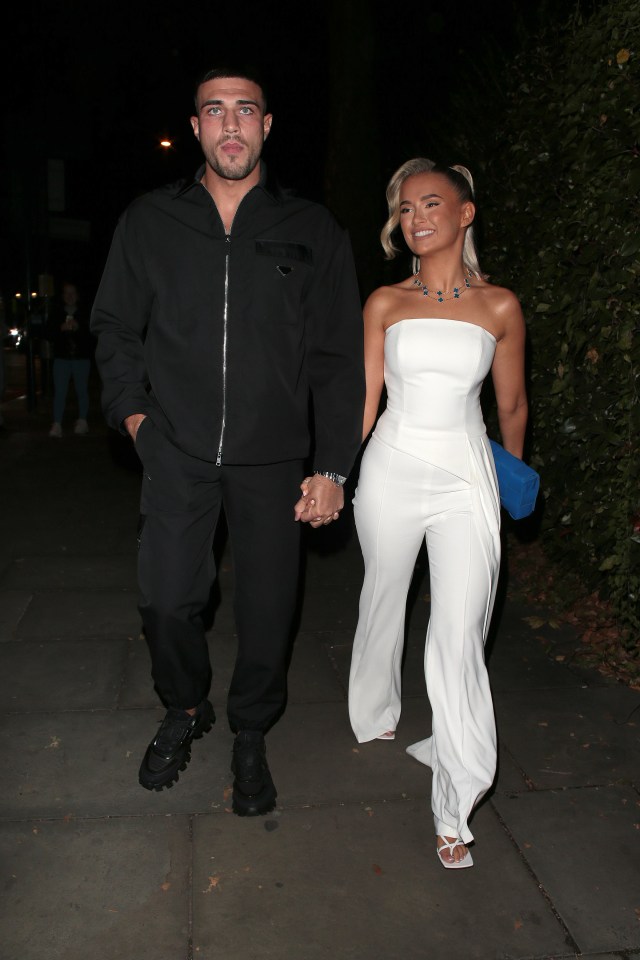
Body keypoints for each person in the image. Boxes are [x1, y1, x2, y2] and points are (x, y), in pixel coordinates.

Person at [90, 67, 364, 816]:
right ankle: (185, 708)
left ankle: (251, 728)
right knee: (166, 602)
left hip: (275, 458)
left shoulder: (312, 229)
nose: (232, 124)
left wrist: (334, 466)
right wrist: (136, 418)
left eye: (246, 110)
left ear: (267, 127)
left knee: (270, 607)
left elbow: (340, 358)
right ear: (198, 126)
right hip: (174, 449)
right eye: (216, 111)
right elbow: (113, 325)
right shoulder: (150, 220)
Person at [347, 158, 527, 868]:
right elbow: (366, 399)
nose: (415, 217)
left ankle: (455, 803)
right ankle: (374, 710)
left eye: (430, 203)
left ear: (465, 213)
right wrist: (334, 472)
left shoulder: (501, 306)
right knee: (384, 594)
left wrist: (512, 481)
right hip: (391, 465)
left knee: (458, 633)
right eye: (404, 208)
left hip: (466, 476)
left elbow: (510, 405)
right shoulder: (385, 302)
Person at [47, 282, 93, 437]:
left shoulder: (85, 312)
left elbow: (93, 335)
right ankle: (57, 424)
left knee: (82, 391)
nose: (70, 296)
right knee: (60, 392)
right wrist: (61, 328)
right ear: (62, 296)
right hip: (62, 358)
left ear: (77, 295)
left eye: (72, 293)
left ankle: (82, 421)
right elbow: (48, 333)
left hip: (81, 358)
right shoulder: (56, 312)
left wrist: (79, 328)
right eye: (66, 293)